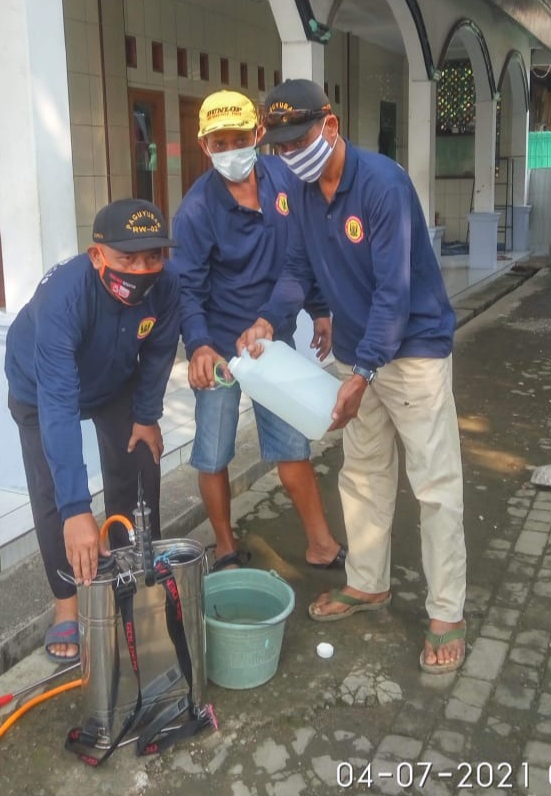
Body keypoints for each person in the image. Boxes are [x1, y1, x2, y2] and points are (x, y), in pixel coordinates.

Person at [237, 79, 467, 674]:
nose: (290, 156)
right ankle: (368, 582)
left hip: (411, 352)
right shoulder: (302, 194)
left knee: (434, 486)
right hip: (357, 354)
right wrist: (267, 319)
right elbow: (295, 270)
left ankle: (446, 613)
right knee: (363, 473)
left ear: (331, 125)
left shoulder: (383, 185)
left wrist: (361, 371)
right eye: (281, 147)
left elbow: (395, 293)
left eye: (300, 140)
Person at [167, 89, 346, 571]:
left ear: (259, 135)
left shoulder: (285, 180)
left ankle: (321, 543)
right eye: (218, 143)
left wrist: (321, 308)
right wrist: (200, 347)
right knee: (213, 449)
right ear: (204, 145)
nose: (230, 151)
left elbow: (303, 251)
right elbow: (187, 289)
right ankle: (224, 545)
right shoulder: (197, 212)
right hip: (222, 347)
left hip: (273, 342)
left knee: (291, 442)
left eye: (239, 138)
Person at [5, 198, 181, 663]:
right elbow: (58, 403)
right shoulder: (64, 297)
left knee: (140, 462)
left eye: (153, 257)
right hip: (39, 387)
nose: (142, 270)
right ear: (97, 254)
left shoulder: (167, 287)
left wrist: (146, 415)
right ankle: (66, 603)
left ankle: (134, 575)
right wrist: (77, 508)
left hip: (112, 382)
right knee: (54, 496)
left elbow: (161, 350)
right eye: (128, 258)